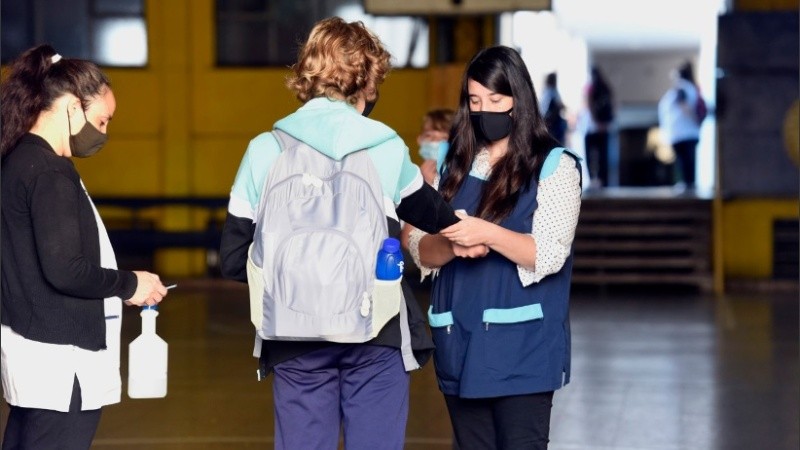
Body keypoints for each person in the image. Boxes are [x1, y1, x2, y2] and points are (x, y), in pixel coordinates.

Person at [218, 17, 459, 450]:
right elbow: (441, 219)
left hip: (292, 340)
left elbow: (234, 258)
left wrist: (302, 285)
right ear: (368, 81)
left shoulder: (263, 150)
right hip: (375, 335)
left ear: (307, 73)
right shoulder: (384, 147)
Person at [402, 46, 582, 449]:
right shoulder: (454, 166)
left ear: (520, 99)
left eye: (496, 100)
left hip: (523, 350)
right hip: (459, 343)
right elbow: (417, 246)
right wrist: (451, 245)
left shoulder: (554, 166)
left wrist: (484, 232)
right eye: (475, 101)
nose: (486, 111)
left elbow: (549, 253)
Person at [0, 45, 169, 449]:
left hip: (31, 354)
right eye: (101, 120)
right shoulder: (50, 173)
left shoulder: (19, 161)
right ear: (72, 107)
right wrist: (131, 284)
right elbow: (65, 269)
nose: (103, 133)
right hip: (61, 363)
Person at [658, 61, 702, 189]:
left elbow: (684, 106)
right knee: (688, 160)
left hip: (682, 132)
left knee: (684, 160)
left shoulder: (682, 88)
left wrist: (695, 120)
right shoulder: (692, 88)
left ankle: (687, 184)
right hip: (689, 131)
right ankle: (689, 183)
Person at [582, 66, 615, 188]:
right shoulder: (606, 87)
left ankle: (593, 180)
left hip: (591, 128)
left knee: (590, 156)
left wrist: (595, 120)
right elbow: (613, 104)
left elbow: (589, 105)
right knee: (603, 156)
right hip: (604, 127)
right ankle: (603, 181)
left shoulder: (591, 88)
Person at [417, 108, 454, 185]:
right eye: (429, 135)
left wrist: (433, 184)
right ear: (419, 139)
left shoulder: (466, 177)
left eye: (444, 137)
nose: (435, 141)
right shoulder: (409, 177)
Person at [540, 72, 568, 146]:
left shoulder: (544, 92)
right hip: (554, 125)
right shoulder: (553, 92)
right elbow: (560, 105)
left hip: (547, 122)